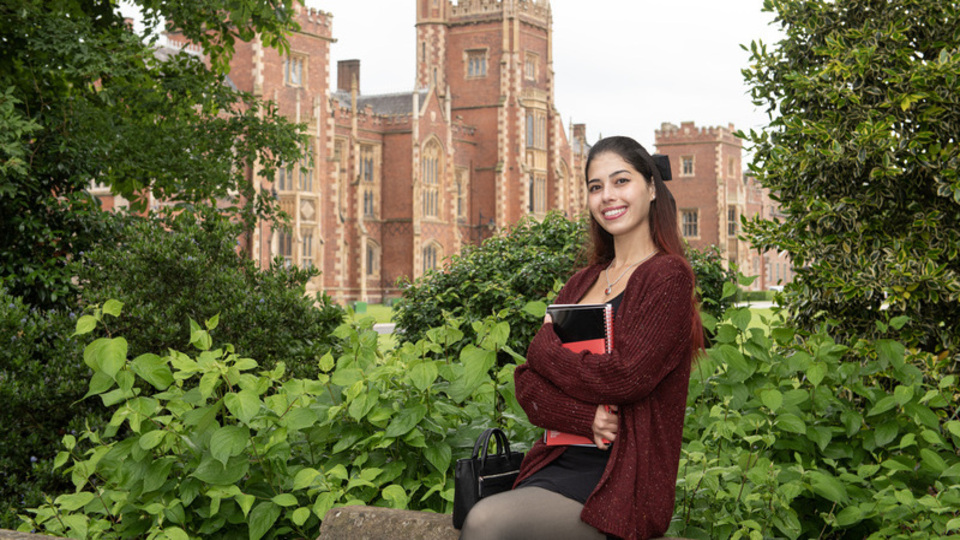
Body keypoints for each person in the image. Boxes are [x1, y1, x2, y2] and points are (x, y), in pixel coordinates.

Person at [459, 136, 703, 540]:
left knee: (487, 522)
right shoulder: (582, 283)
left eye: (621, 181)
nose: (608, 196)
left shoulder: (667, 277)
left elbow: (627, 377)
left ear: (652, 187)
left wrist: (545, 351)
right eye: (595, 186)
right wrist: (584, 417)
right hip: (555, 464)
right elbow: (527, 385)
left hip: (619, 483)